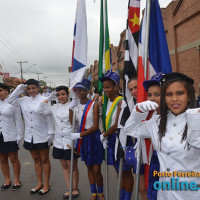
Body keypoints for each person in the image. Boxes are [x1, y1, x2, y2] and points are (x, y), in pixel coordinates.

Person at [125, 72, 200, 199]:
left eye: (180, 93)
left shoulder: (196, 119)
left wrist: (195, 121)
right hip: (164, 193)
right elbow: (130, 130)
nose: (174, 99)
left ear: (189, 96)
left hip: (190, 193)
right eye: (169, 94)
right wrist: (138, 112)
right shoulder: (157, 121)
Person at [8, 79, 54, 195]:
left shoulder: (44, 100)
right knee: (36, 160)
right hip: (30, 136)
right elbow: (10, 99)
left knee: (44, 160)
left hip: (42, 135)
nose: (31, 90)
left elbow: (49, 117)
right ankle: (40, 183)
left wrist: (50, 133)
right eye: (29, 88)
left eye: (34, 88)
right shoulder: (24, 100)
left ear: (38, 88)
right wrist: (19, 89)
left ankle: (47, 184)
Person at [38, 85, 80, 199]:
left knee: (73, 166)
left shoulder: (73, 107)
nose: (60, 97)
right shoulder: (54, 107)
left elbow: (77, 122)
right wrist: (49, 98)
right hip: (58, 141)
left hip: (70, 139)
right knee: (64, 166)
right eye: (58, 95)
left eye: (63, 94)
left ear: (68, 95)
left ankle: (75, 188)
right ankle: (68, 188)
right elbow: (40, 110)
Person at [99, 70, 134, 199]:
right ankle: (122, 195)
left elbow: (117, 125)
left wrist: (103, 135)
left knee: (126, 172)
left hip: (122, 139)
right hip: (111, 140)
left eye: (108, 87)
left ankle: (127, 197)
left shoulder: (121, 102)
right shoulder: (105, 102)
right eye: (104, 88)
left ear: (115, 87)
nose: (106, 90)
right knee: (118, 171)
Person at [71, 78, 104, 200]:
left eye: (81, 90)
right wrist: (70, 108)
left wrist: (79, 135)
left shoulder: (94, 105)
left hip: (93, 138)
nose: (79, 92)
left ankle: (101, 192)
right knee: (89, 167)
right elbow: (72, 123)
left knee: (97, 170)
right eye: (77, 90)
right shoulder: (76, 107)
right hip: (83, 140)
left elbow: (95, 126)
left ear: (87, 91)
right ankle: (93, 193)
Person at [126, 77, 147, 200]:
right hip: (139, 149)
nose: (134, 91)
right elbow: (129, 128)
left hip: (152, 151)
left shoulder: (152, 103)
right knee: (141, 187)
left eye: (136, 87)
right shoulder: (132, 105)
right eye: (130, 89)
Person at [142, 72, 163, 200]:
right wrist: (138, 112)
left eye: (157, 94)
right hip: (155, 162)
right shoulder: (152, 115)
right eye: (149, 95)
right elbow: (131, 129)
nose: (152, 98)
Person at [0, 83, 24, 191]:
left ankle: (17, 180)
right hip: (0, 135)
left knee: (13, 158)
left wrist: (19, 136)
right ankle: (7, 180)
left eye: (0, 90)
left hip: (10, 134)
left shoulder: (13, 102)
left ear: (6, 90)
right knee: (2, 159)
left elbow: (19, 121)